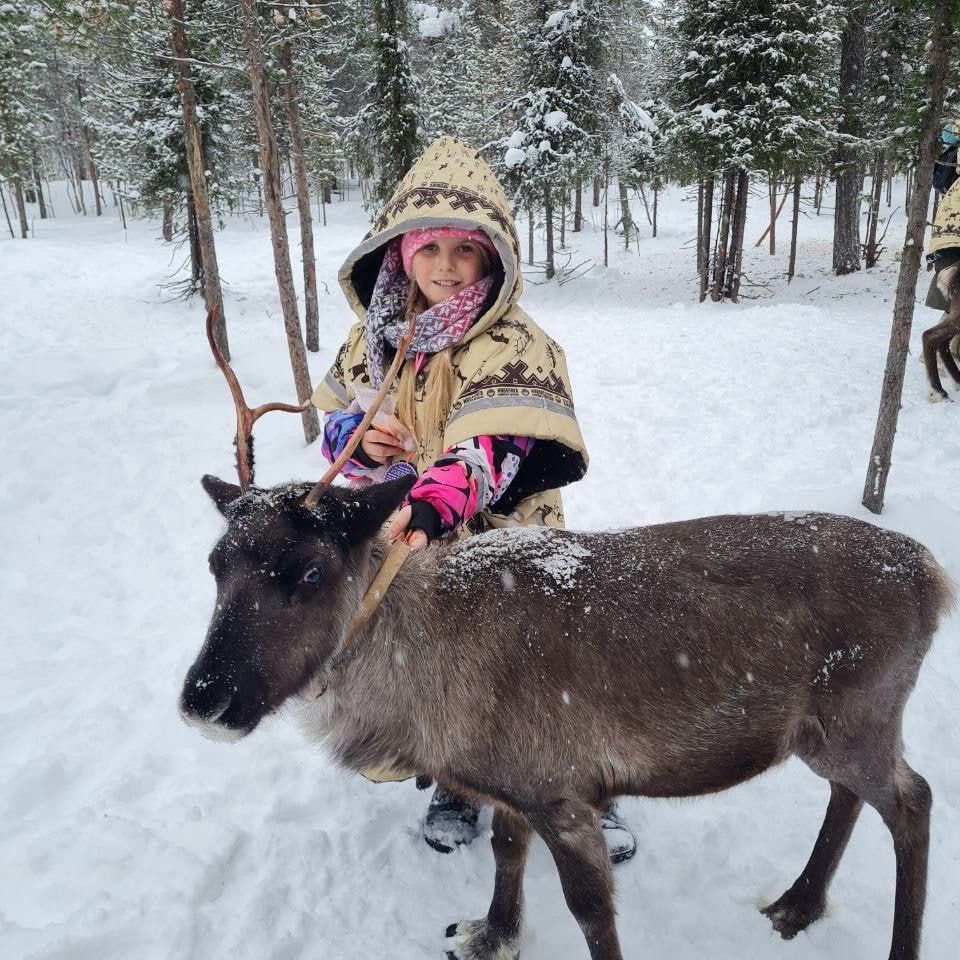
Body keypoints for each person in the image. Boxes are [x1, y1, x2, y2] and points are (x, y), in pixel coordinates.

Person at [310, 135, 636, 864]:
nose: (446, 269)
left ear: (493, 257)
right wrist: (360, 444)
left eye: (466, 252)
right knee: (445, 675)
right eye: (430, 250)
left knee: (542, 672)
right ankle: (458, 781)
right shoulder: (375, 338)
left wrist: (431, 502)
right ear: (400, 251)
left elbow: (493, 448)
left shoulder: (515, 341)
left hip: (509, 538)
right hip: (419, 545)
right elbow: (333, 421)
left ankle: (587, 790)